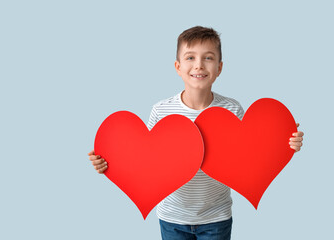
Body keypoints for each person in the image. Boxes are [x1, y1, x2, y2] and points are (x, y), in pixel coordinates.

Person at [88, 26, 304, 240]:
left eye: (208, 58)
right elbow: (144, 158)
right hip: (172, 217)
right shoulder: (161, 110)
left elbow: (251, 152)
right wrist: (109, 164)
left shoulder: (232, 110)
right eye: (190, 57)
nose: (199, 65)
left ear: (219, 68)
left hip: (216, 217)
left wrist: (283, 141)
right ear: (178, 66)